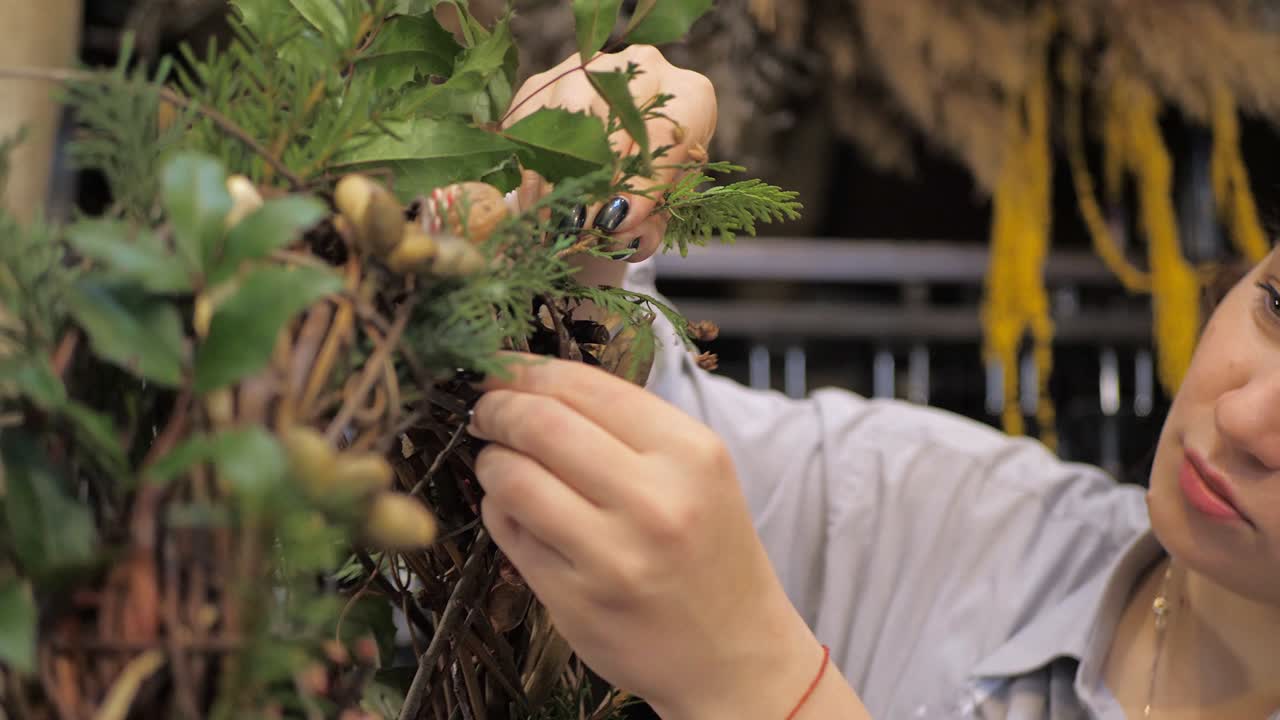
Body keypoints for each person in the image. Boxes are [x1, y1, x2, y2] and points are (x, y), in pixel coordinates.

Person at [467, 45, 1280, 719]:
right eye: (1277, 305)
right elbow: (648, 441)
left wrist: (763, 686)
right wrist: (582, 236)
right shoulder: (979, 524)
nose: (1246, 418)